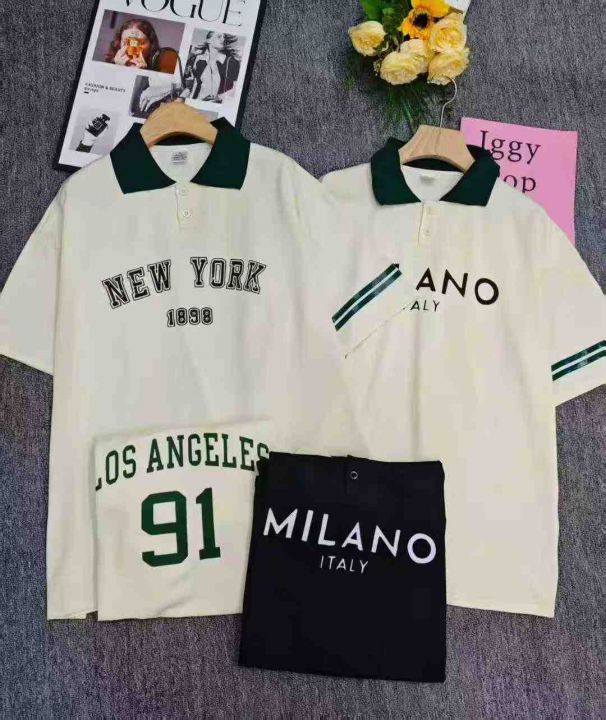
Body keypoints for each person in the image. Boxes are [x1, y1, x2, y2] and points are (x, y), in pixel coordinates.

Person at [182, 32, 241, 102]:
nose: (223, 39)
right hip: (192, 102)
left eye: (224, 37)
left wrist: (219, 98)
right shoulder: (197, 59)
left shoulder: (231, 62)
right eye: (219, 36)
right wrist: (183, 96)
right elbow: (190, 83)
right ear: (208, 40)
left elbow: (237, 88)